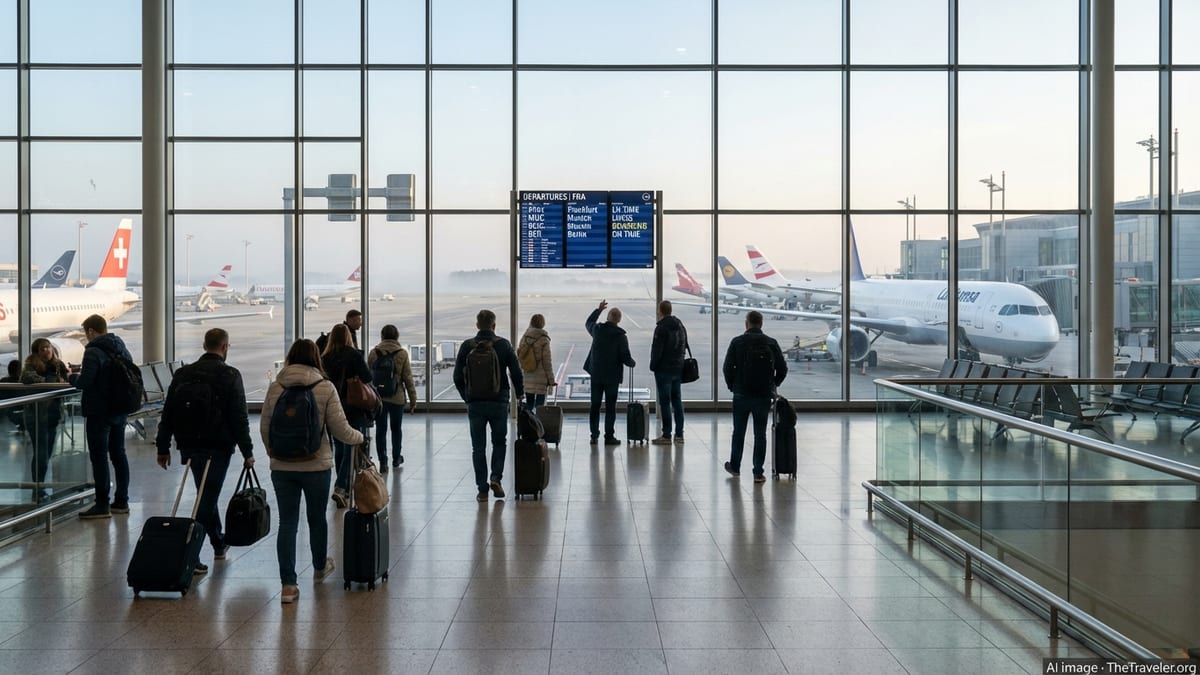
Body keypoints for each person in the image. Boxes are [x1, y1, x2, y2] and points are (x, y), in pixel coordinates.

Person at [261, 339, 364, 604]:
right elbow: (340, 429)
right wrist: (359, 438)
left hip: (282, 466)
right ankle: (320, 567)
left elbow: (264, 427)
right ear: (316, 358)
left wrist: (274, 454)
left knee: (287, 523)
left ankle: (288, 585)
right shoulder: (324, 387)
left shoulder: (276, 387)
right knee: (316, 518)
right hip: (316, 465)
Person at [154, 328, 255, 574]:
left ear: (204, 345)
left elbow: (168, 412)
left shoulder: (183, 373)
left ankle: (218, 542)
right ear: (225, 347)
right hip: (218, 446)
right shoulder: (230, 375)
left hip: (189, 443)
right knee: (206, 499)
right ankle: (188, 555)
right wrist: (247, 451)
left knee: (204, 493)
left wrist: (163, 446)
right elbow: (239, 417)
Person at [452, 309, 523, 502]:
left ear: (477, 325)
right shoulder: (503, 345)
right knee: (499, 442)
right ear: (494, 325)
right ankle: (496, 478)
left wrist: (467, 397)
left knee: (478, 447)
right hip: (499, 401)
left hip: (475, 403)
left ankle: (482, 487)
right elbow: (516, 372)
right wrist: (520, 394)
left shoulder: (467, 346)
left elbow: (457, 376)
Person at [72, 314, 133, 520]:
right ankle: (122, 501)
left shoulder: (93, 351)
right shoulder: (120, 346)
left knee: (99, 457)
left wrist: (72, 377)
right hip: (120, 408)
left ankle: (101, 504)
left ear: (91, 331)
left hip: (99, 411)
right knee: (119, 454)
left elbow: (86, 382)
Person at [721, 310, 788, 483]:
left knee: (739, 432)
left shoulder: (737, 342)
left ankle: (735, 466)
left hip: (741, 394)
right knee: (760, 434)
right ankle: (758, 471)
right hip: (763, 395)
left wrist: (733, 386)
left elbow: (727, 368)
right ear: (761, 324)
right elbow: (782, 369)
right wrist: (773, 384)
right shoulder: (771, 343)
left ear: (746, 323)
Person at [321, 323, 373, 508]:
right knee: (351, 444)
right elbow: (367, 377)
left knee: (339, 445)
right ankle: (341, 486)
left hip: (331, 405)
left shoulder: (325, 358)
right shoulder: (353, 355)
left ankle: (341, 484)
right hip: (352, 405)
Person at [20, 339, 70, 502]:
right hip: (35, 415)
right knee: (40, 452)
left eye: (48, 347)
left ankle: (39, 487)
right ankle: (38, 488)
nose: (47, 351)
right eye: (42, 349)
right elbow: (27, 378)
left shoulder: (58, 365)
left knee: (46, 452)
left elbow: (66, 382)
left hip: (52, 415)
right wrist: (51, 382)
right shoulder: (30, 367)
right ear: (36, 352)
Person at [584, 300, 636, 446]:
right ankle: (609, 436)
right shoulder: (621, 337)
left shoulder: (597, 330)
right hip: (612, 377)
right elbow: (625, 358)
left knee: (595, 405)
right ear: (619, 320)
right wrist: (632, 363)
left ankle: (594, 435)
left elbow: (589, 322)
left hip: (596, 374)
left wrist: (598, 309)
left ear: (608, 317)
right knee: (610, 407)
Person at [367, 324, 417, 470]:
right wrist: (413, 400)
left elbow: (368, 377)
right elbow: (408, 378)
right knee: (396, 429)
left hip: (378, 398)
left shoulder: (373, 353)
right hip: (397, 397)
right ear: (397, 337)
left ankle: (383, 461)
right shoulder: (402, 353)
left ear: (382, 336)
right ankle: (396, 458)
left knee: (380, 430)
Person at [649, 300, 688, 445]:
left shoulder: (661, 328)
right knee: (677, 401)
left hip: (664, 370)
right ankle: (679, 434)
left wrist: (653, 366)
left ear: (660, 311)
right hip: (677, 368)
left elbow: (657, 351)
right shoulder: (679, 325)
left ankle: (666, 435)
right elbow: (684, 345)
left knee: (665, 402)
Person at [517, 314, 556, 410]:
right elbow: (547, 362)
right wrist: (551, 380)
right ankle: (538, 424)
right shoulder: (544, 339)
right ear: (542, 324)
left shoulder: (524, 338)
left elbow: (520, 356)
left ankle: (529, 424)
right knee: (540, 407)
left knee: (529, 404)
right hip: (541, 378)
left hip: (527, 375)